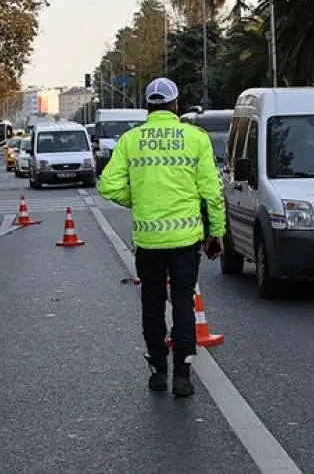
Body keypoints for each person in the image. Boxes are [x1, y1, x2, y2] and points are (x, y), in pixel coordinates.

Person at [97, 77, 226, 397]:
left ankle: (157, 370)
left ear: (147, 107)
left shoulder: (130, 140)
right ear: (176, 105)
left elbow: (108, 185)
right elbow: (212, 192)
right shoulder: (196, 138)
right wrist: (217, 234)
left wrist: (138, 198)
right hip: (185, 241)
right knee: (183, 303)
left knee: (152, 305)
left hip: (149, 242)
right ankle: (182, 375)